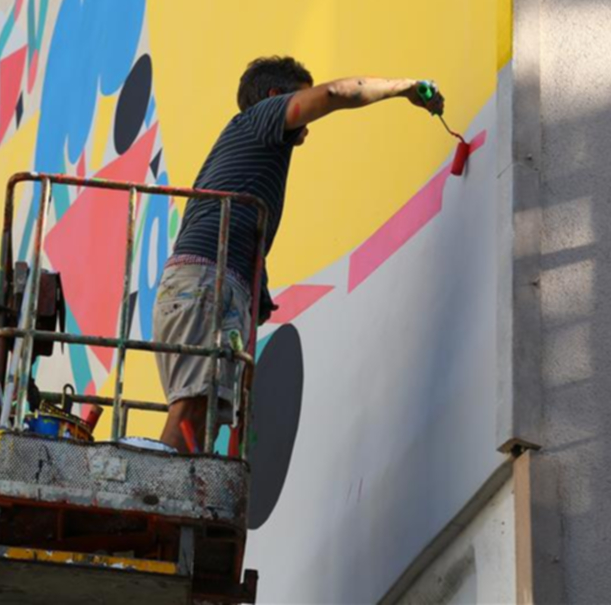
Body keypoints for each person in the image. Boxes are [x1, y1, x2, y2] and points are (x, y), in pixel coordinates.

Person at [155, 56, 444, 452]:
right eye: (300, 99)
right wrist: (405, 87)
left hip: (211, 282)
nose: (307, 126)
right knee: (192, 406)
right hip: (207, 280)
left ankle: (165, 498)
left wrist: (257, 296)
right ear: (276, 95)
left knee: (205, 412)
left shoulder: (251, 151)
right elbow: (335, 94)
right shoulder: (262, 117)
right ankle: (151, 494)